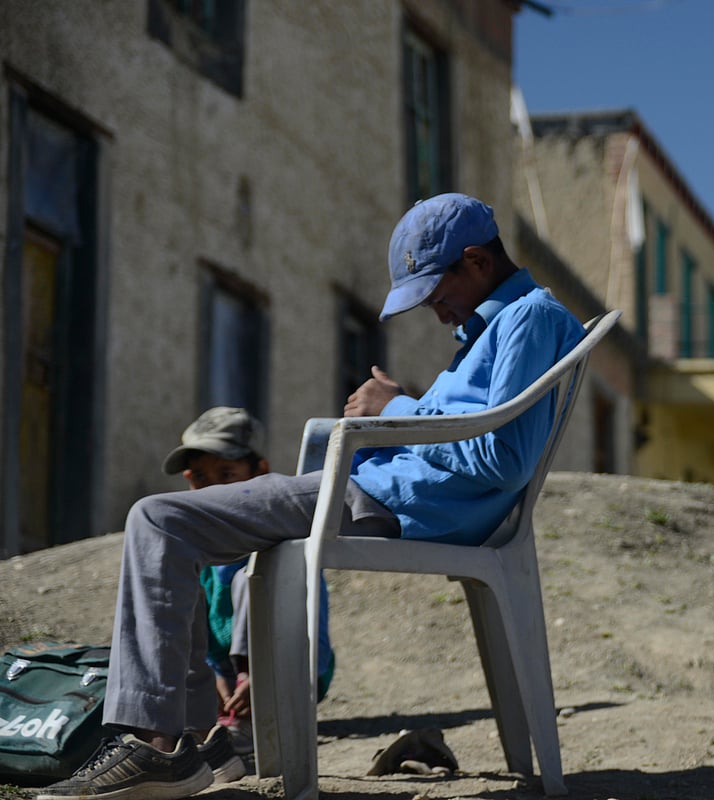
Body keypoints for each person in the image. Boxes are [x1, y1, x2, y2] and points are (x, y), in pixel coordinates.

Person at [38, 193, 586, 800]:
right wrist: (390, 421)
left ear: (477, 261)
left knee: (159, 520)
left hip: (393, 504)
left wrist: (395, 410)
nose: (436, 311)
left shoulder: (529, 318)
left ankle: (158, 745)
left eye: (435, 293)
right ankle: (190, 740)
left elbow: (503, 459)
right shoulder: (493, 326)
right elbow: (469, 435)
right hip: (383, 492)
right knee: (175, 526)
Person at [161, 406, 337, 756]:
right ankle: (219, 716)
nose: (212, 490)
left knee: (249, 579)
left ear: (261, 472)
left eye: (226, 475)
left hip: (290, 669)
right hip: (227, 680)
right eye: (199, 477)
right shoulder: (203, 555)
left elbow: (308, 632)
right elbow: (204, 641)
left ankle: (255, 715)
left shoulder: (285, 543)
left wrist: (261, 680)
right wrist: (216, 679)